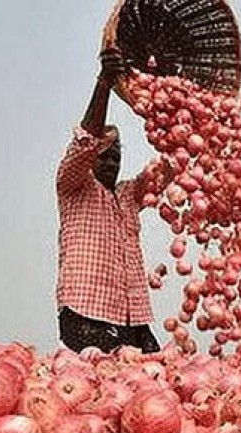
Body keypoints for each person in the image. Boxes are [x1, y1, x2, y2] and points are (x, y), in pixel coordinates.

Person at [55, 49, 161, 355]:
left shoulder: (129, 195)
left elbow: (168, 168)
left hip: (134, 317)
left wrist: (179, 118)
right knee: (98, 391)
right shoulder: (73, 186)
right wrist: (104, 84)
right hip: (87, 311)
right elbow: (84, 141)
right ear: (91, 160)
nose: (113, 162)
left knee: (148, 388)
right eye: (105, 156)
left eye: (117, 156)